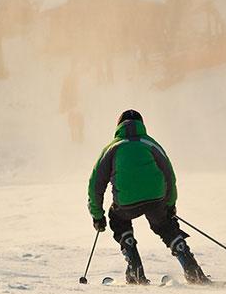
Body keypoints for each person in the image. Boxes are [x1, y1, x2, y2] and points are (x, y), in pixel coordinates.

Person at [87, 110, 210, 285]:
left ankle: (135, 269)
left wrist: (97, 216)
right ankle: (192, 271)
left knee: (118, 219)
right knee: (166, 227)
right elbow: (169, 175)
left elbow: (95, 185)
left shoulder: (112, 148)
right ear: (141, 125)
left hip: (126, 203)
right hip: (156, 198)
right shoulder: (150, 144)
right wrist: (169, 205)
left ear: (118, 126)